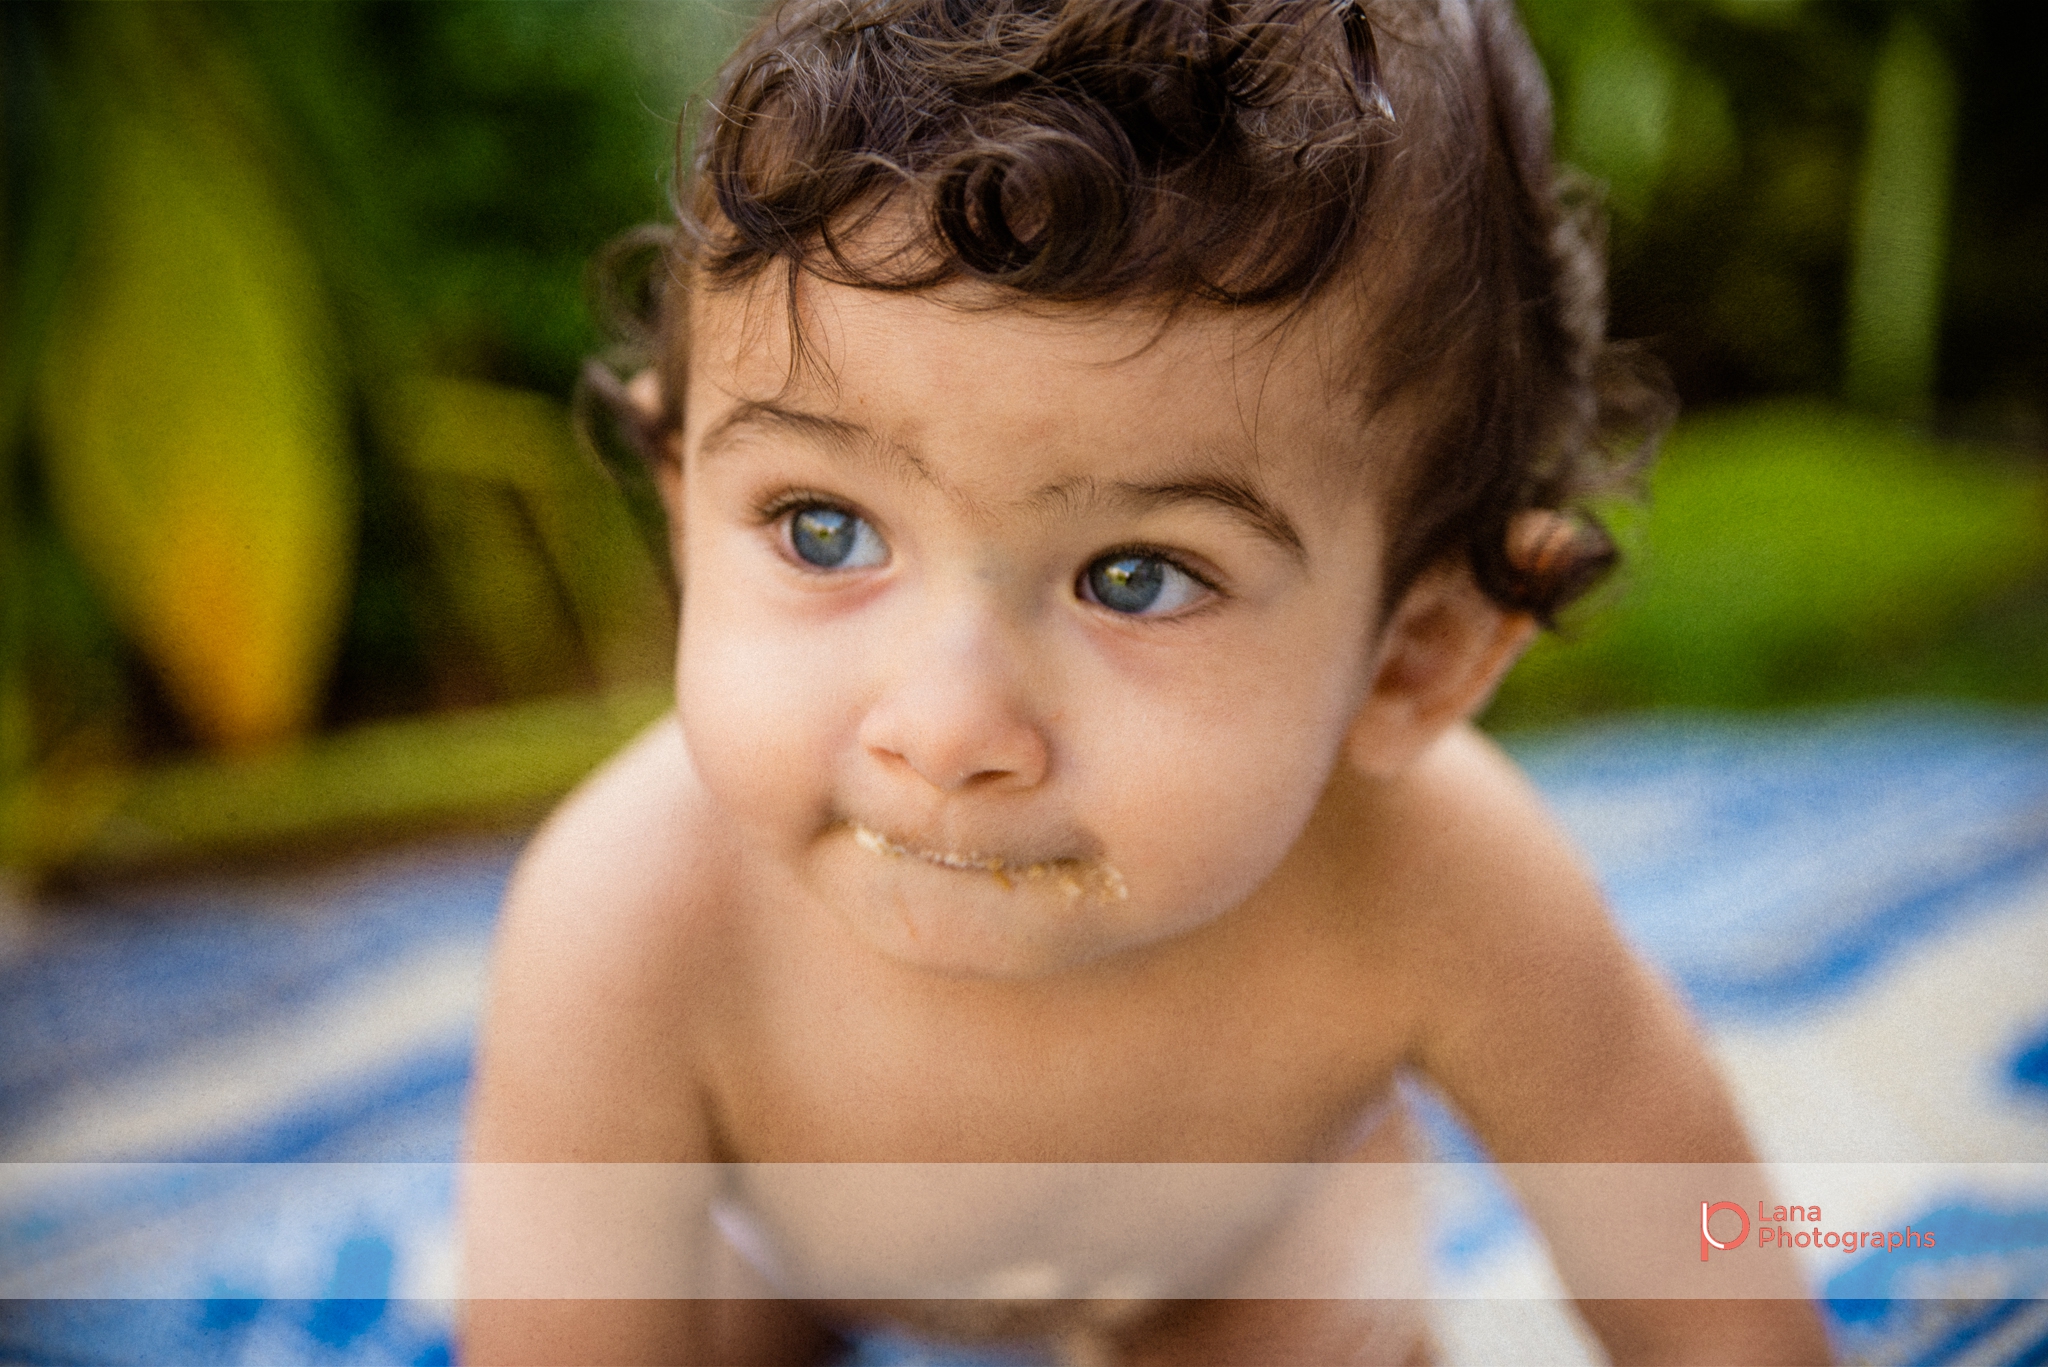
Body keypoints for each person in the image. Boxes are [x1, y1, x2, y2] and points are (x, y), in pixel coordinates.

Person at [462, 0, 1833, 1361]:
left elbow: (1706, 1285)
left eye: (1137, 577)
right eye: (826, 527)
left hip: (1235, 1257)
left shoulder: (1431, 885)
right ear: (680, 505)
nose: (947, 732)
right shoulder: (636, 916)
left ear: (1414, 658)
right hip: (779, 1255)